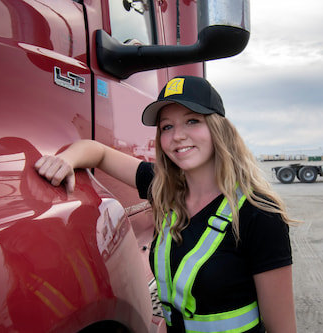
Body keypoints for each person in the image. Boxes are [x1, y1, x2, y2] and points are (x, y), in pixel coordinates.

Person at [35, 75, 298, 333]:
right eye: (166, 127)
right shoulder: (163, 188)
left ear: (219, 129)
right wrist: (66, 159)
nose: (177, 136)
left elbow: (282, 328)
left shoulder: (259, 214)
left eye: (192, 121)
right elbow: (97, 151)